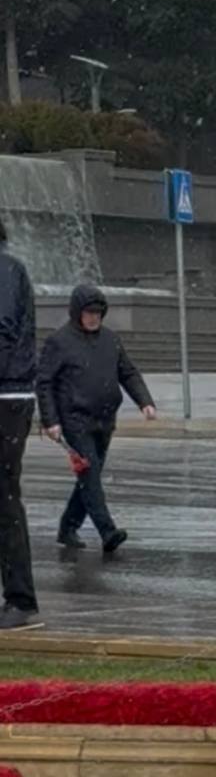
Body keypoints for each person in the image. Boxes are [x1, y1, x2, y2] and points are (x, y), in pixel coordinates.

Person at [37, 284, 157, 554]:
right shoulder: (59, 342)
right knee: (90, 475)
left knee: (88, 478)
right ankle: (107, 531)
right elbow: (44, 383)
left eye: (98, 313)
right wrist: (50, 420)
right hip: (74, 420)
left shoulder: (110, 339)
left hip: (105, 419)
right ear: (77, 312)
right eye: (88, 312)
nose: (93, 317)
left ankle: (68, 526)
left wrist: (145, 402)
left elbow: (128, 373)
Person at [0, 220, 39, 629]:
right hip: (9, 394)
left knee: (4, 496)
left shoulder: (4, 269)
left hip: (6, 398)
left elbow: (3, 329)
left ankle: (20, 598)